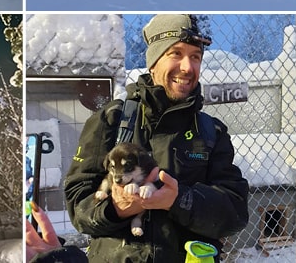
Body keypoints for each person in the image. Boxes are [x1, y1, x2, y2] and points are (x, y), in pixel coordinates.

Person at [64, 14, 250, 263]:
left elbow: (235, 212)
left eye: (195, 57)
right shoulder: (110, 120)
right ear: (153, 63)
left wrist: (179, 200)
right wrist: (116, 209)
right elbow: (78, 203)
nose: (187, 67)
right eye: (176, 53)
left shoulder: (211, 132)